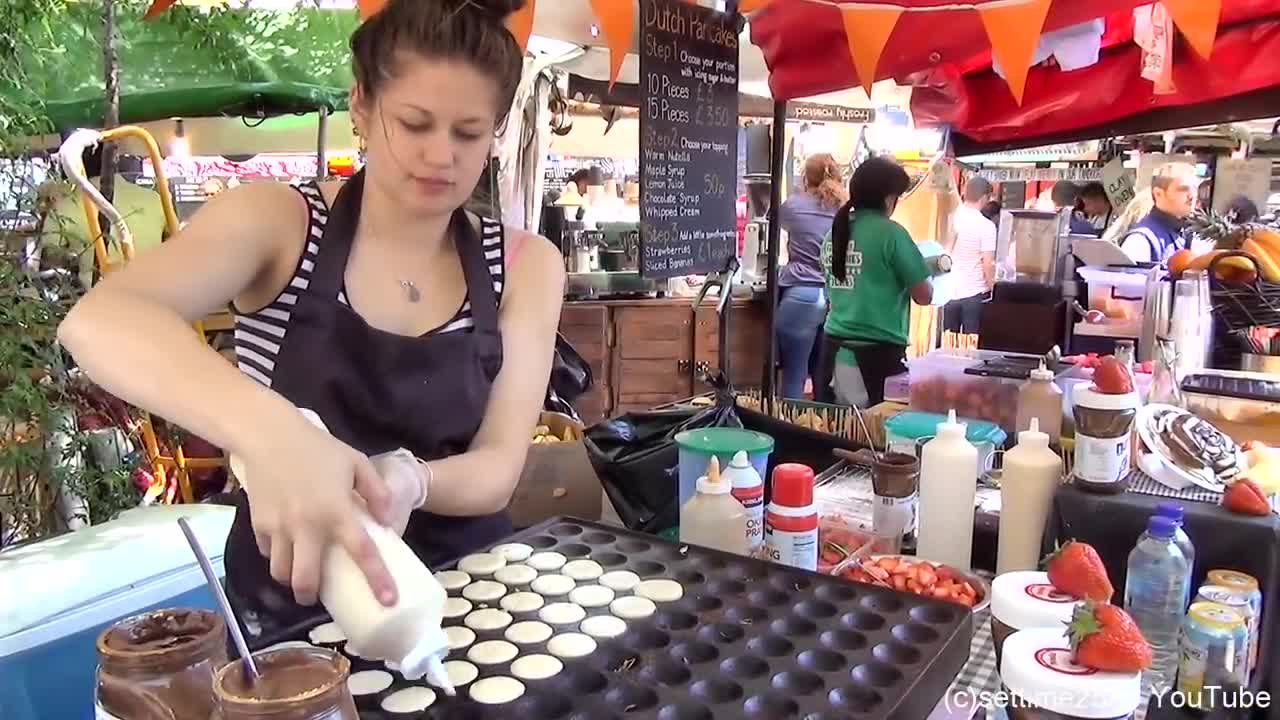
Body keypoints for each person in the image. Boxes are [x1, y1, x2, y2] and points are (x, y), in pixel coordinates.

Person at [58, 0, 565, 640]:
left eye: (468, 133)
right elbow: (100, 321)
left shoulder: (523, 265)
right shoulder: (279, 223)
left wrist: (412, 478)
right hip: (292, 604)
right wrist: (277, 436)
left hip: (468, 599)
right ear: (360, 103)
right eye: (414, 123)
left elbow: (497, 467)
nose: (441, 154)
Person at [822, 157, 939, 408]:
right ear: (888, 198)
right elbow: (924, 294)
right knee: (871, 437)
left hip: (832, 350)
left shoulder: (833, 234)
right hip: (876, 358)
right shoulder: (891, 233)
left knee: (836, 431)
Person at [775, 154, 845, 398]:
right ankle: (822, 432)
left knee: (794, 376)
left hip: (801, 294)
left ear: (805, 177)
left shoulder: (794, 204)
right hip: (837, 300)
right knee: (824, 381)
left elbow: (775, 224)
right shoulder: (845, 208)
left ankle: (789, 432)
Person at [943, 177, 996, 335]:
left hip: (950, 291)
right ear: (985, 197)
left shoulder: (950, 218)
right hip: (974, 293)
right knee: (971, 346)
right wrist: (994, 287)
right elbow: (988, 264)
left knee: (948, 343)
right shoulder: (987, 226)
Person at [1119, 163, 1196, 264]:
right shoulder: (1140, 241)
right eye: (1183, 189)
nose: (1192, 196)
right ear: (1158, 194)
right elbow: (1129, 278)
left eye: (1195, 188)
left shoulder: (1189, 234)